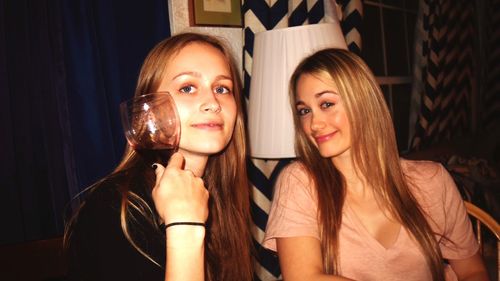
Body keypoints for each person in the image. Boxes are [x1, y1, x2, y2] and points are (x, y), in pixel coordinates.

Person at [262, 48, 489, 281]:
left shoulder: (432, 180)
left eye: (327, 104)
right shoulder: (300, 182)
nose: (314, 123)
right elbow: (304, 277)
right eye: (304, 111)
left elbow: (473, 271)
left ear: (363, 101)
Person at [64, 32, 253, 281]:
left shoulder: (221, 198)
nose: (213, 103)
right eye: (187, 88)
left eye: (222, 88)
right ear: (148, 111)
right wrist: (186, 226)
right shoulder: (118, 209)